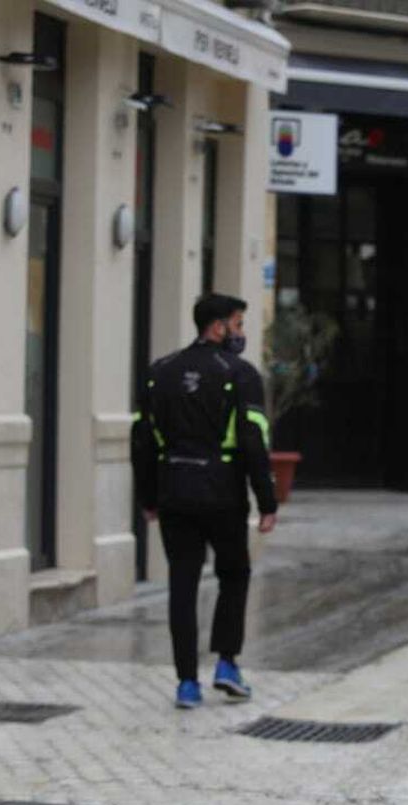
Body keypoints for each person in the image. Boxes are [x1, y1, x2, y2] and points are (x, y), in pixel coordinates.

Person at [132, 293, 278, 709]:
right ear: (218, 327)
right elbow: (254, 441)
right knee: (234, 574)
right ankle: (227, 663)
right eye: (238, 324)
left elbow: (141, 441)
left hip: (174, 492)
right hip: (223, 496)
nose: (241, 333)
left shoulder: (160, 373)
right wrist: (267, 501)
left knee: (182, 582)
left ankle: (186, 683)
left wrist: (148, 497)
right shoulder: (240, 374)